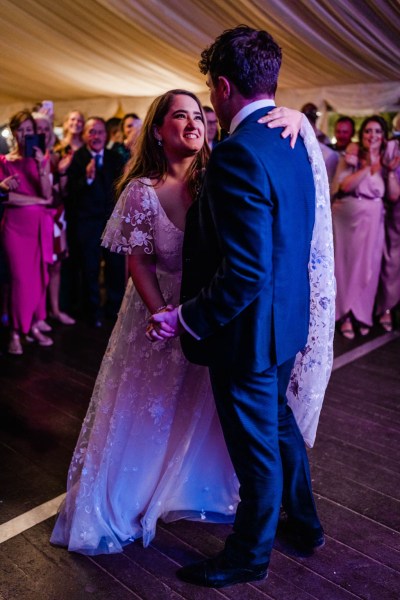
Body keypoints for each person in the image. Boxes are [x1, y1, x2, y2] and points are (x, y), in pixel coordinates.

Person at [50, 87, 334, 560]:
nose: (192, 123)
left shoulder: (217, 169)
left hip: (213, 313)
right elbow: (137, 263)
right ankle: (142, 491)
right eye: (178, 117)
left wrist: (297, 120)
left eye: (197, 115)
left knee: (210, 411)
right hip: (162, 311)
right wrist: (163, 312)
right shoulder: (141, 192)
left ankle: (199, 489)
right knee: (151, 404)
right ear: (158, 132)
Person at [150, 26, 334, 588]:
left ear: (224, 86)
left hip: (249, 333)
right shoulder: (295, 139)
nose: (209, 102)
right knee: (278, 429)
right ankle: (303, 525)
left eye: (210, 89)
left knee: (258, 454)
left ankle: (248, 556)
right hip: (284, 324)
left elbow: (246, 270)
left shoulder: (236, 153)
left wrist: (187, 316)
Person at [0, 110, 53, 354]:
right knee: (20, 279)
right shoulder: (3, 161)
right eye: (20, 130)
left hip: (39, 228)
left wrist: (41, 165)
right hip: (15, 228)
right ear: (12, 132)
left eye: (29, 130)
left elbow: (47, 195)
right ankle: (14, 331)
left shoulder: (41, 158)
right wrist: (38, 201)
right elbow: (7, 197)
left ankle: (30, 325)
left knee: (38, 277)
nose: (25, 135)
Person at [332, 116, 389, 339]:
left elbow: (392, 194)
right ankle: (344, 315)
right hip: (348, 219)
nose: (372, 136)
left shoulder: (389, 158)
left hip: (374, 220)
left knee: (370, 267)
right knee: (346, 267)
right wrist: (367, 167)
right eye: (368, 131)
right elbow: (344, 185)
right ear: (361, 134)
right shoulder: (352, 155)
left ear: (383, 136)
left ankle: (362, 315)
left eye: (377, 131)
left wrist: (384, 166)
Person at [65, 116, 125, 326]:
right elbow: (70, 192)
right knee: (89, 268)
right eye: (91, 132)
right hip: (86, 222)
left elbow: (120, 189)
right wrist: (87, 178)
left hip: (111, 220)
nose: (96, 136)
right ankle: (93, 312)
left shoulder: (114, 158)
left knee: (115, 267)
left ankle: (113, 309)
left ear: (105, 135)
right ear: (84, 135)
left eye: (99, 132)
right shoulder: (77, 158)